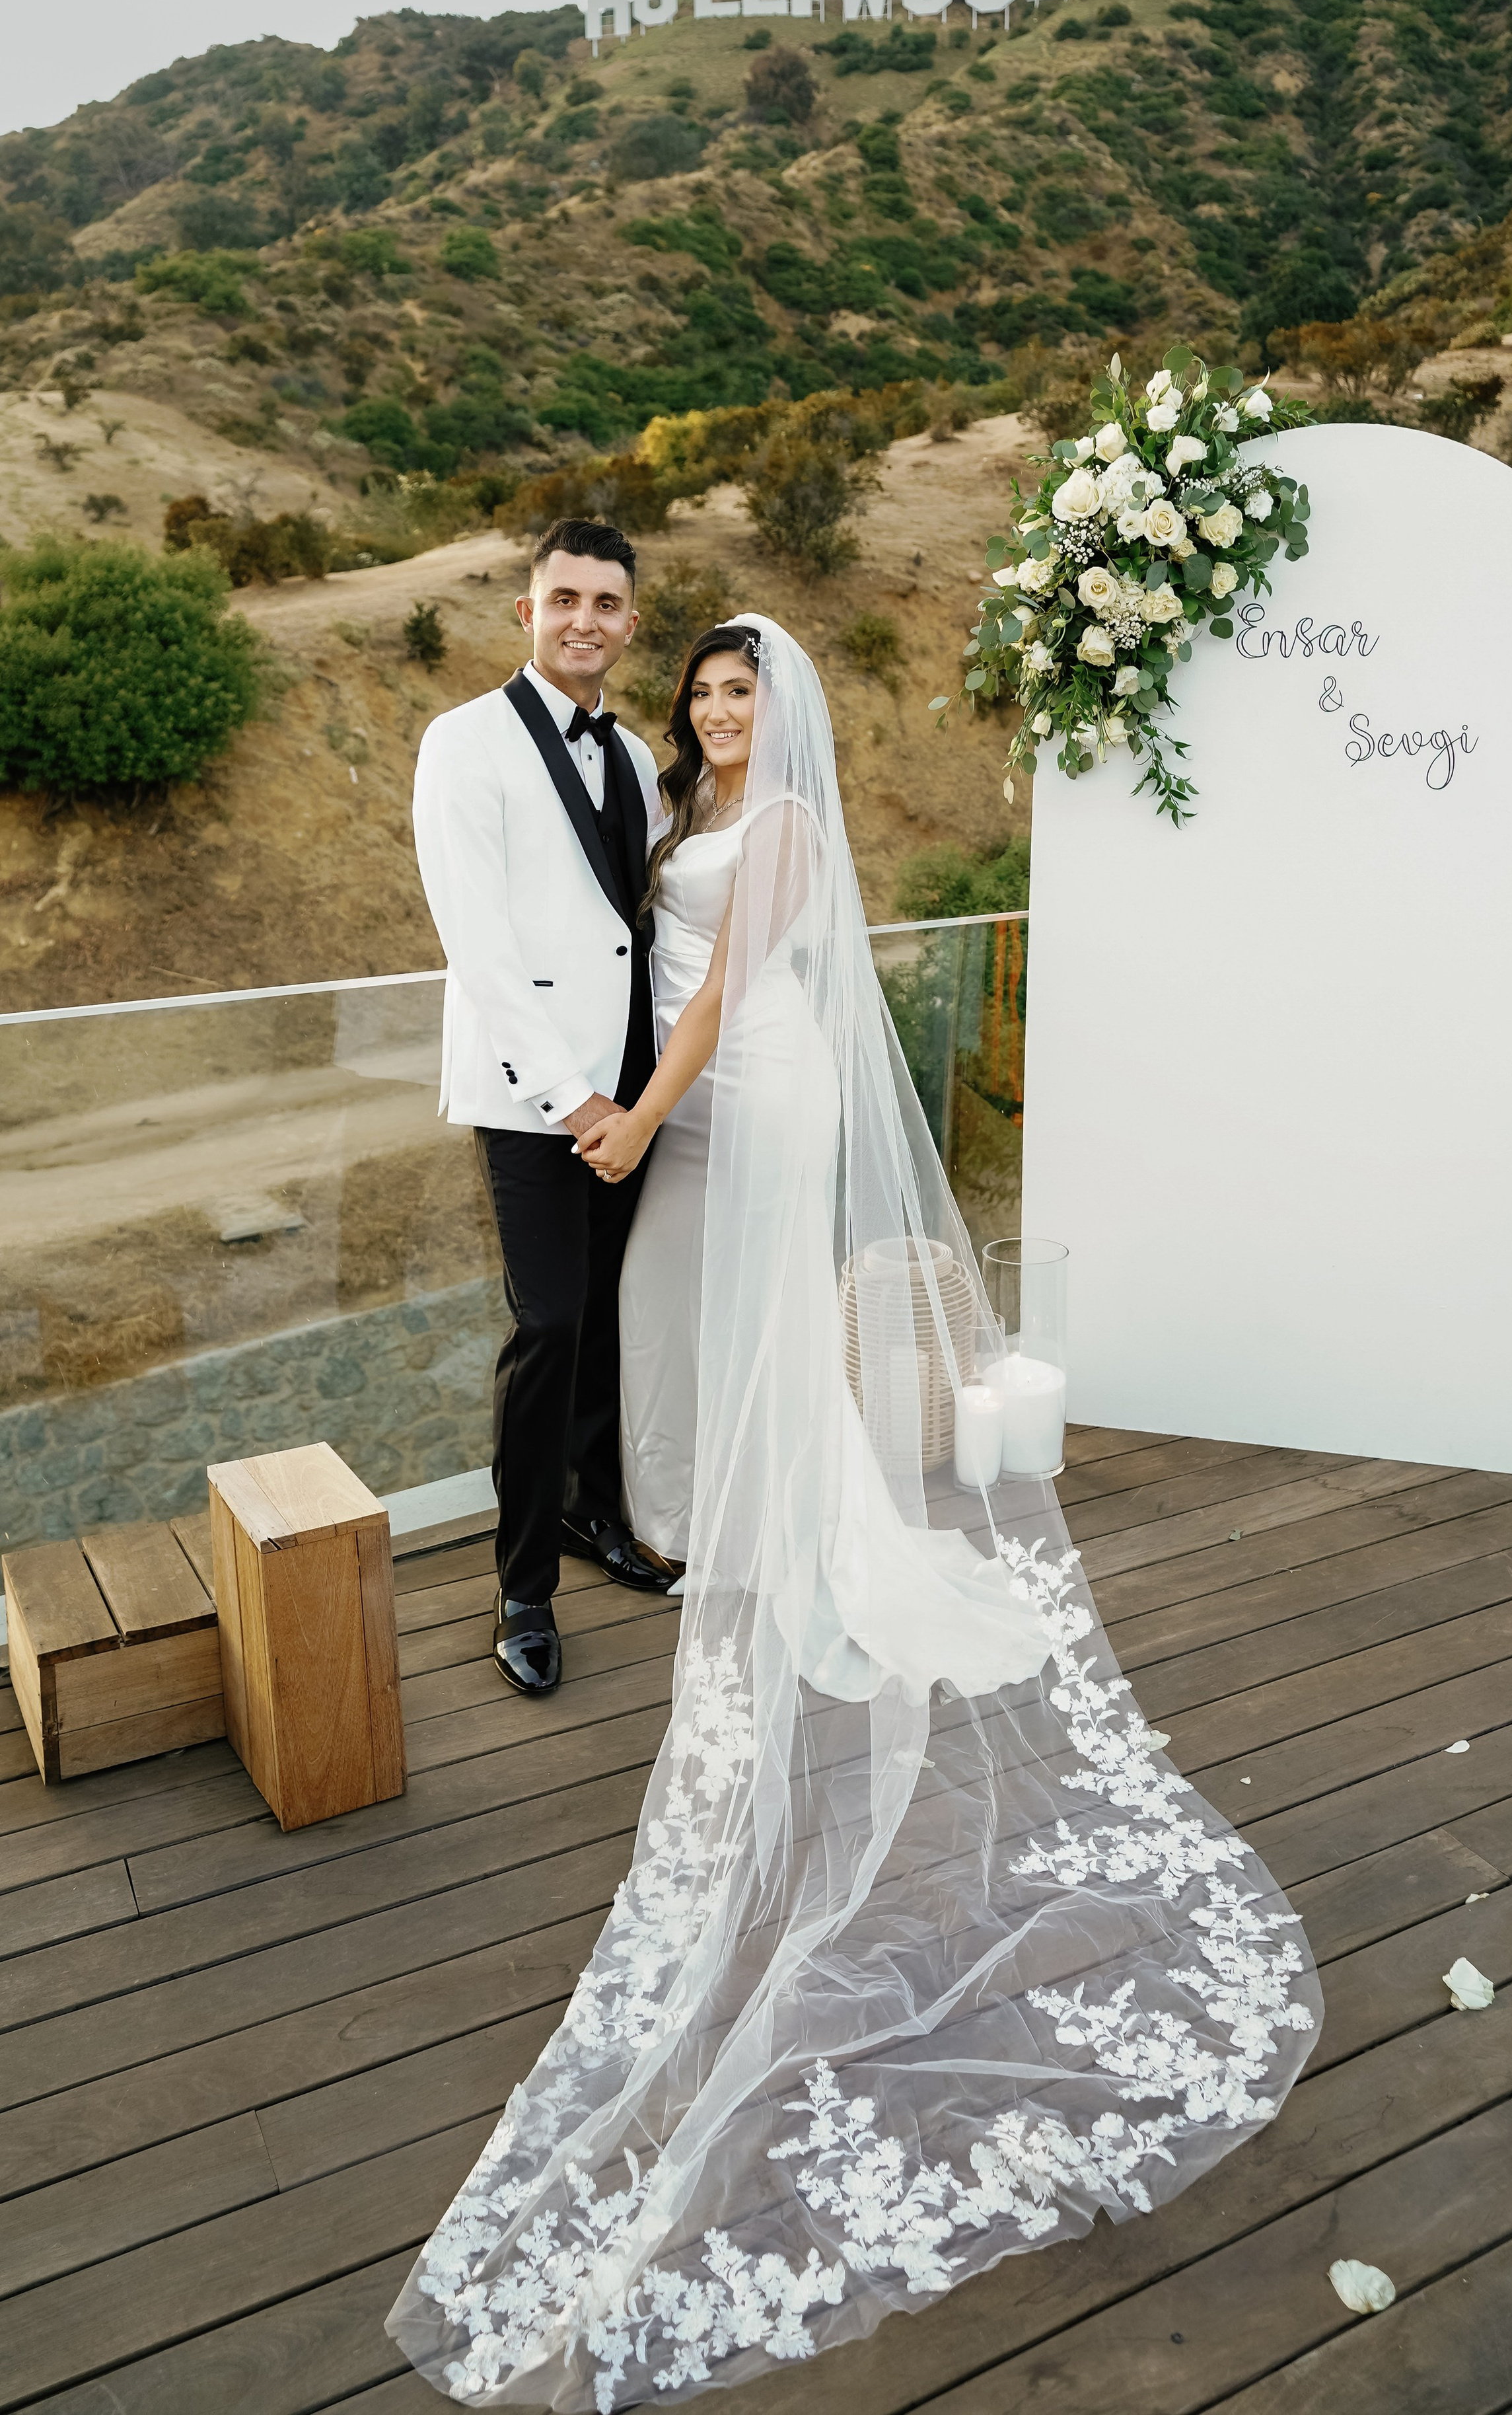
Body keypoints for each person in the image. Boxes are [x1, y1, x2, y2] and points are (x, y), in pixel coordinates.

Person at [390, 615, 1320, 2409]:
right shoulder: (672, 801)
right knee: (687, 1327)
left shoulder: (789, 821)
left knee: (744, 1318)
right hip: (690, 1100)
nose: (719, 710)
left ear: (781, 708)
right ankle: (710, 1515)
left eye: (742, 693)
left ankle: (799, 1541)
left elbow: (729, 984)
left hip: (762, 1087)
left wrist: (643, 1113)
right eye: (706, 693)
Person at [412, 515, 678, 1705]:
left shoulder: (633, 759)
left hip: (633, 1089)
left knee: (614, 1317)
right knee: (551, 1324)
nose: (585, 619)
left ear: (629, 621)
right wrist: (576, 1103)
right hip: (538, 1100)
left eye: (606, 603)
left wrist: (648, 1091)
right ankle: (523, 1585)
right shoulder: (462, 743)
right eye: (563, 597)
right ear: (527, 609)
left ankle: (593, 1512)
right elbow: (482, 948)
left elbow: (644, 930)